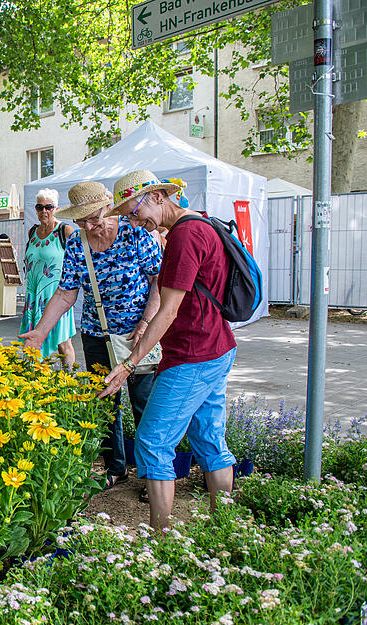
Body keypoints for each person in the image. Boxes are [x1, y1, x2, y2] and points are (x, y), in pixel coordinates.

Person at [99, 169, 237, 529]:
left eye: (134, 212)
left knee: (152, 442)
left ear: (157, 197)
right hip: (217, 346)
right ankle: (225, 530)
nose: (133, 222)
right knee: (209, 440)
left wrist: (129, 364)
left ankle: (161, 542)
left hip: (193, 354)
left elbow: (168, 310)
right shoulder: (202, 223)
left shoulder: (185, 235)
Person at [19, 181, 162, 489]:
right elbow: (65, 293)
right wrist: (40, 332)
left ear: (108, 207)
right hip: (96, 335)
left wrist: (147, 323)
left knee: (144, 404)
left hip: (137, 335)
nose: (88, 226)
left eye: (93, 218)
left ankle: (153, 475)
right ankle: (116, 468)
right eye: (81, 220)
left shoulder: (135, 232)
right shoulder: (76, 243)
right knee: (104, 403)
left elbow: (158, 283)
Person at [20, 189, 76, 367]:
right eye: (39, 207)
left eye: (48, 207)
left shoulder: (65, 231)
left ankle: (69, 377)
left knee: (63, 342)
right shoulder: (32, 232)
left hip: (57, 295)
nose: (44, 211)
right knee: (33, 340)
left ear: (56, 208)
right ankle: (37, 376)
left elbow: (77, 262)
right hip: (34, 295)